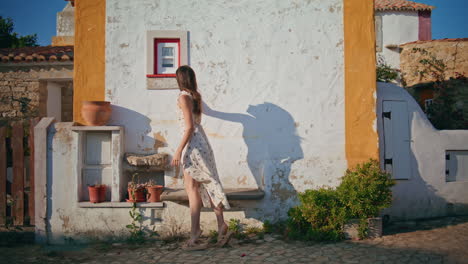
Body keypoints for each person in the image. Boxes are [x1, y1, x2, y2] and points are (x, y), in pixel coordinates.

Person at [171, 65, 232, 249]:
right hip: (202, 143)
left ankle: (195, 234)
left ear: (179, 80)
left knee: (192, 189)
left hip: (192, 146)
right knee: (210, 182)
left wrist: (178, 150)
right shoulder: (195, 96)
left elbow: (189, 127)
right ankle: (221, 225)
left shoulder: (183, 97)